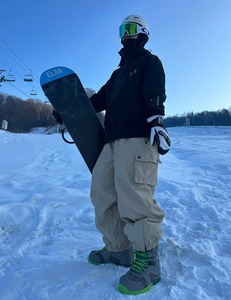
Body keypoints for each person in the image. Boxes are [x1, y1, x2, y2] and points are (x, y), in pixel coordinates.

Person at [53, 14, 170, 295]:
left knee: (134, 196)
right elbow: (97, 100)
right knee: (102, 191)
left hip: (137, 137)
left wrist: (156, 120)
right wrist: (69, 110)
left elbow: (155, 91)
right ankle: (119, 249)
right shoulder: (118, 74)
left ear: (142, 32)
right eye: (122, 29)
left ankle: (149, 261)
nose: (125, 34)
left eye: (130, 29)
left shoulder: (148, 62)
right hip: (112, 140)